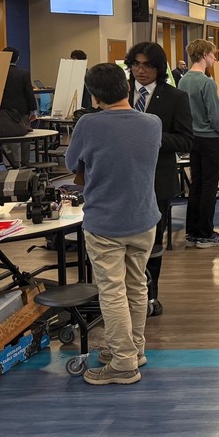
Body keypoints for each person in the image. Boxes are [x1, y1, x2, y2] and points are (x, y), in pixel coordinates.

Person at [65, 63, 161, 385]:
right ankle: (134, 349)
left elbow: (71, 163)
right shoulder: (152, 123)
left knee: (112, 291)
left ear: (94, 95)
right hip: (144, 218)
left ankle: (122, 362)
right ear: (127, 86)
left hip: (105, 222)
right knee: (136, 286)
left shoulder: (88, 125)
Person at [125, 41, 193, 316]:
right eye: (136, 65)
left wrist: (150, 137)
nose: (141, 71)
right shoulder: (120, 94)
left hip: (157, 181)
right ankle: (124, 297)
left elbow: (186, 140)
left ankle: (150, 296)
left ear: (159, 68)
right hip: (121, 182)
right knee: (122, 243)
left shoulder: (175, 97)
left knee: (152, 243)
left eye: (148, 65)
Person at [177, 39, 219, 248]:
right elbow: (215, 116)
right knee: (209, 187)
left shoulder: (183, 81)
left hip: (192, 139)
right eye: (213, 54)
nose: (215, 58)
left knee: (196, 185)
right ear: (203, 55)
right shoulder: (207, 82)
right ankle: (206, 233)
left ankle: (192, 231)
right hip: (210, 140)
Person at [0, 46, 37, 167]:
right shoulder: (23, 73)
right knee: (25, 136)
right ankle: (25, 162)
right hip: (22, 110)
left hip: (4, 111)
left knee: (10, 138)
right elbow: (29, 92)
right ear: (17, 58)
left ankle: (13, 163)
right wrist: (33, 110)